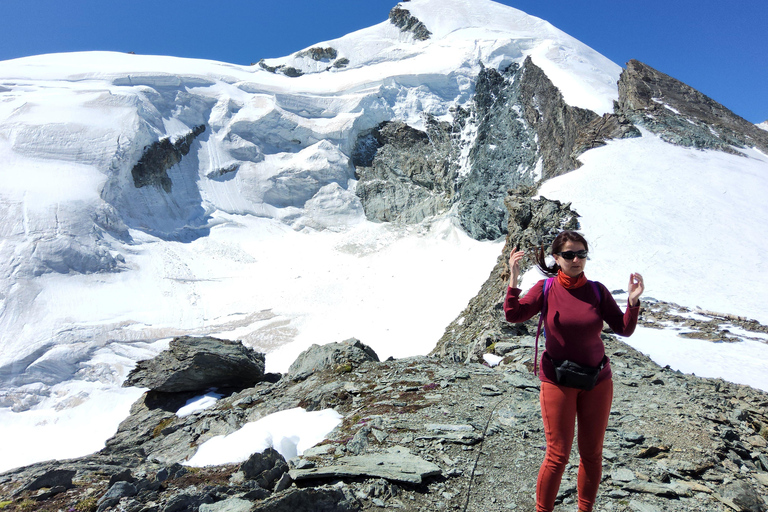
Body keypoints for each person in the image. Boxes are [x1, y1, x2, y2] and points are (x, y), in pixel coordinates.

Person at [504, 231, 644, 512]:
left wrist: (633, 301)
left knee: (592, 455)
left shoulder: (596, 290)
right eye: (569, 254)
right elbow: (513, 315)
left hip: (597, 380)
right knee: (557, 455)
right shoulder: (545, 289)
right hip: (558, 380)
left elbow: (624, 328)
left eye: (581, 254)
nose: (576, 259)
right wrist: (514, 279)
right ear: (556, 258)